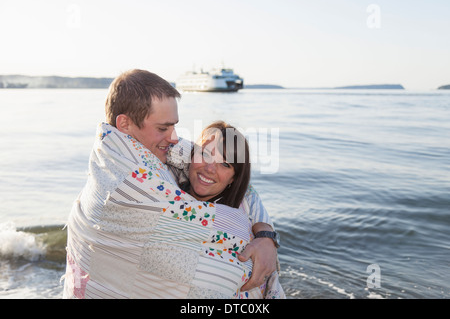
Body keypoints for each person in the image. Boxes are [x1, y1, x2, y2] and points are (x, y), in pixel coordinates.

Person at [62, 69, 280, 298]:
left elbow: (247, 191)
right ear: (125, 124)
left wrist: (266, 235)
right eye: (163, 128)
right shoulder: (120, 177)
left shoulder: (161, 155)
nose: (174, 137)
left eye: (174, 126)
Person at [167, 120, 285, 298]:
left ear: (233, 179)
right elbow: (160, 141)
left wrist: (267, 237)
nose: (209, 168)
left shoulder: (243, 210)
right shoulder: (166, 183)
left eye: (225, 164)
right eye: (205, 155)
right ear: (192, 155)